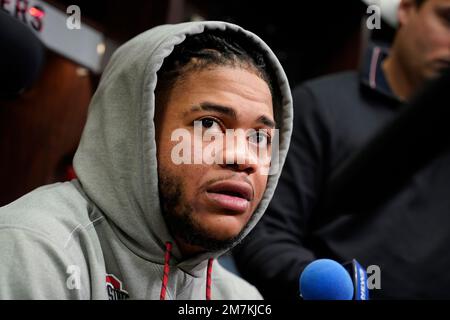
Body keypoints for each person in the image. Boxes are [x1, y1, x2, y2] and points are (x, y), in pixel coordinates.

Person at [0, 21, 293, 299]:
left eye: (259, 138)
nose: (243, 158)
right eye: (208, 125)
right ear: (135, 132)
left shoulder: (238, 297)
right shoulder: (33, 248)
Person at [234, 0, 450, 299]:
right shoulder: (321, 106)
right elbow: (265, 237)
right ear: (407, 9)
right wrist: (339, 290)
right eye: (447, 20)